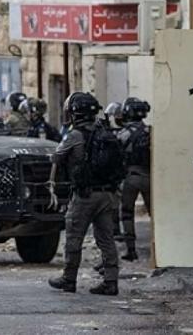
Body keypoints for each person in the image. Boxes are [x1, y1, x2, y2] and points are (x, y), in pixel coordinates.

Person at [48, 92, 121, 296]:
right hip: (108, 195)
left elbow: (56, 157)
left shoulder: (75, 135)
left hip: (85, 196)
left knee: (74, 236)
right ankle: (111, 281)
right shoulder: (105, 132)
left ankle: (69, 279)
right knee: (106, 239)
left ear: (75, 113)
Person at [117, 97, 152, 261]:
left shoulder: (123, 134)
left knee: (127, 213)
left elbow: (117, 155)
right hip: (148, 176)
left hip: (131, 177)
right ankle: (158, 246)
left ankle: (131, 249)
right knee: (154, 213)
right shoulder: (150, 131)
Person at [103, 101, 125, 241]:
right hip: (116, 173)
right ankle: (115, 230)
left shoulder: (119, 133)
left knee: (116, 205)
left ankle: (115, 230)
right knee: (114, 205)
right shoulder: (109, 134)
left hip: (119, 172)